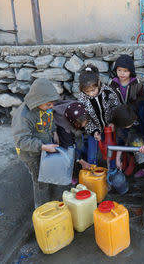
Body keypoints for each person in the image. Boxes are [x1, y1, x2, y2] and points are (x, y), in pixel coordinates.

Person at [11, 78, 60, 208]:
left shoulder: (45, 107)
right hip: (30, 154)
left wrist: (54, 132)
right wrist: (43, 146)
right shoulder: (24, 116)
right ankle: (42, 208)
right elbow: (21, 140)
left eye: (52, 104)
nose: (51, 107)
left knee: (45, 172)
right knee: (39, 180)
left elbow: (50, 121)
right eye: (48, 105)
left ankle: (48, 194)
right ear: (39, 101)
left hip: (44, 147)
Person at [77, 64, 120, 168]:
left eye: (93, 90)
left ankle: (113, 171)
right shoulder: (82, 99)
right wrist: (94, 131)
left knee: (111, 150)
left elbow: (116, 107)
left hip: (109, 129)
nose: (91, 94)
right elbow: (85, 119)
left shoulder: (107, 92)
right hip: (94, 130)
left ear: (99, 83)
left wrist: (113, 122)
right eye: (87, 91)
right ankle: (93, 173)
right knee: (92, 154)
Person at [111, 99, 144, 178]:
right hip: (141, 126)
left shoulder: (143, 108)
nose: (124, 128)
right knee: (138, 143)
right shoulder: (123, 119)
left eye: (125, 127)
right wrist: (118, 158)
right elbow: (121, 137)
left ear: (130, 121)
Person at [109, 54, 144, 174]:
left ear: (131, 72)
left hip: (133, 117)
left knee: (133, 138)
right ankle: (122, 159)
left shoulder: (137, 84)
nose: (122, 73)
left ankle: (132, 159)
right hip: (119, 117)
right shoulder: (112, 84)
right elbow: (109, 103)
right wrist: (112, 121)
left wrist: (130, 112)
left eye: (125, 71)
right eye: (119, 70)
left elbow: (140, 101)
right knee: (120, 136)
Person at [53, 100, 92, 183]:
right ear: (72, 122)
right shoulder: (64, 126)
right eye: (81, 125)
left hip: (67, 120)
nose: (84, 126)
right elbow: (68, 147)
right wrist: (82, 162)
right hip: (58, 125)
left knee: (73, 147)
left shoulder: (77, 108)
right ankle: (70, 175)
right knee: (67, 150)